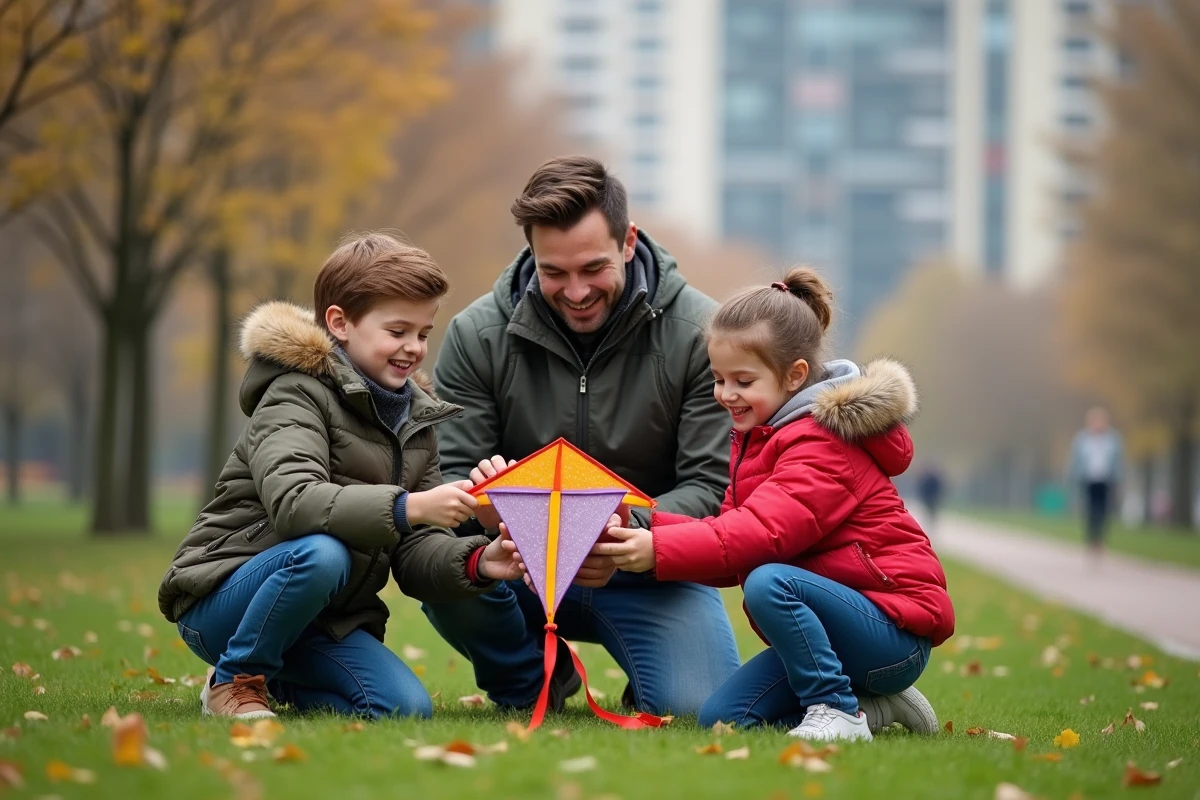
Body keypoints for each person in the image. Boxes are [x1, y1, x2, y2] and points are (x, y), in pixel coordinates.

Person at [157, 232, 523, 720]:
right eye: (397, 331)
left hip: (324, 621)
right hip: (226, 599)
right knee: (322, 553)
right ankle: (233, 678)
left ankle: (275, 677)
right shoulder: (294, 393)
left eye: (423, 333)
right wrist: (407, 506)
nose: (413, 348)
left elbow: (413, 553)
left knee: (403, 709)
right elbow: (295, 502)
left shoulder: (414, 421)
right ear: (340, 323)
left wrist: (478, 560)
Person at [424, 156, 740, 717]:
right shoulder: (477, 335)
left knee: (694, 707)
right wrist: (486, 507)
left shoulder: (701, 335)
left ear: (628, 242)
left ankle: (652, 679)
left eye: (593, 268)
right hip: (518, 565)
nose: (575, 291)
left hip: (651, 565)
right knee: (442, 569)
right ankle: (533, 681)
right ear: (530, 254)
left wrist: (618, 536)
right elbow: (451, 476)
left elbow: (711, 488)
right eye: (554, 272)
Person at [594, 268, 956, 741]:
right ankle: (874, 708)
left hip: (891, 632)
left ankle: (837, 710)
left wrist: (657, 549)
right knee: (722, 717)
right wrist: (641, 521)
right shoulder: (762, 440)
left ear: (794, 376)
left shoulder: (824, 445)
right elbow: (729, 535)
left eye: (742, 380)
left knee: (769, 581)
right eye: (718, 378)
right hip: (838, 632)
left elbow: (760, 535)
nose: (725, 394)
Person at [1067, 407, 1124, 557]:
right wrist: (1072, 477)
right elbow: (1075, 461)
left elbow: (1118, 462)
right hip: (1088, 479)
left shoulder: (1113, 439)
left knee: (1104, 511)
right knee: (1090, 510)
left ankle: (1099, 540)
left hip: (1106, 480)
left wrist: (1118, 479)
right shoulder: (1082, 439)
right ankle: (1091, 539)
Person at [916, 463, 945, 532]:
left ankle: (931, 523)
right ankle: (931, 522)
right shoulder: (931, 478)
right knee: (930, 510)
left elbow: (938, 488)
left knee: (931, 510)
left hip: (932, 497)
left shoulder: (930, 478)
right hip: (930, 497)